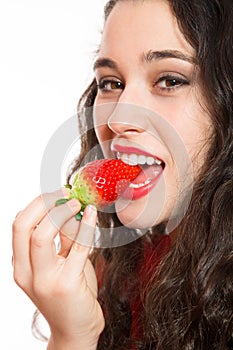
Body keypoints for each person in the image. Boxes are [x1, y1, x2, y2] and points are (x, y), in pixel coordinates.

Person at [12, 0, 233, 349]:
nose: (118, 120)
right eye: (111, 83)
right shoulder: (119, 274)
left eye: (169, 80)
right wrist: (73, 336)